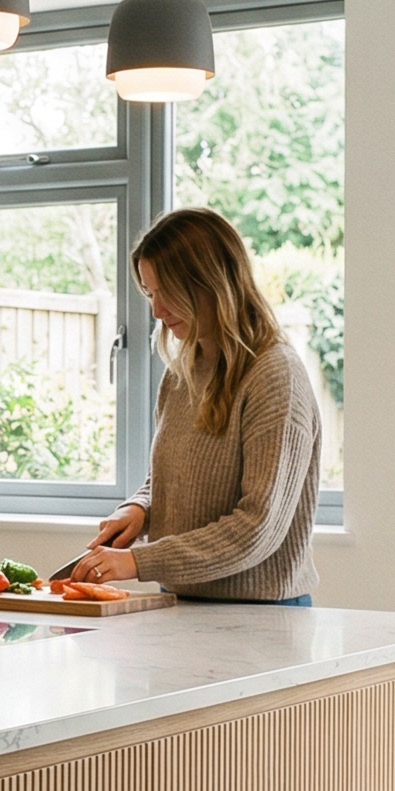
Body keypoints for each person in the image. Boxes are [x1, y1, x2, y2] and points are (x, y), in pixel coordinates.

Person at [67, 206, 321, 605]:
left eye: (167, 291)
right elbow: (172, 476)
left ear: (211, 283)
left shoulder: (275, 374)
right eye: (150, 293)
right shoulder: (182, 372)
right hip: (183, 603)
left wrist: (138, 561)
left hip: (264, 616)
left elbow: (259, 527)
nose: (156, 310)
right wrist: (141, 509)